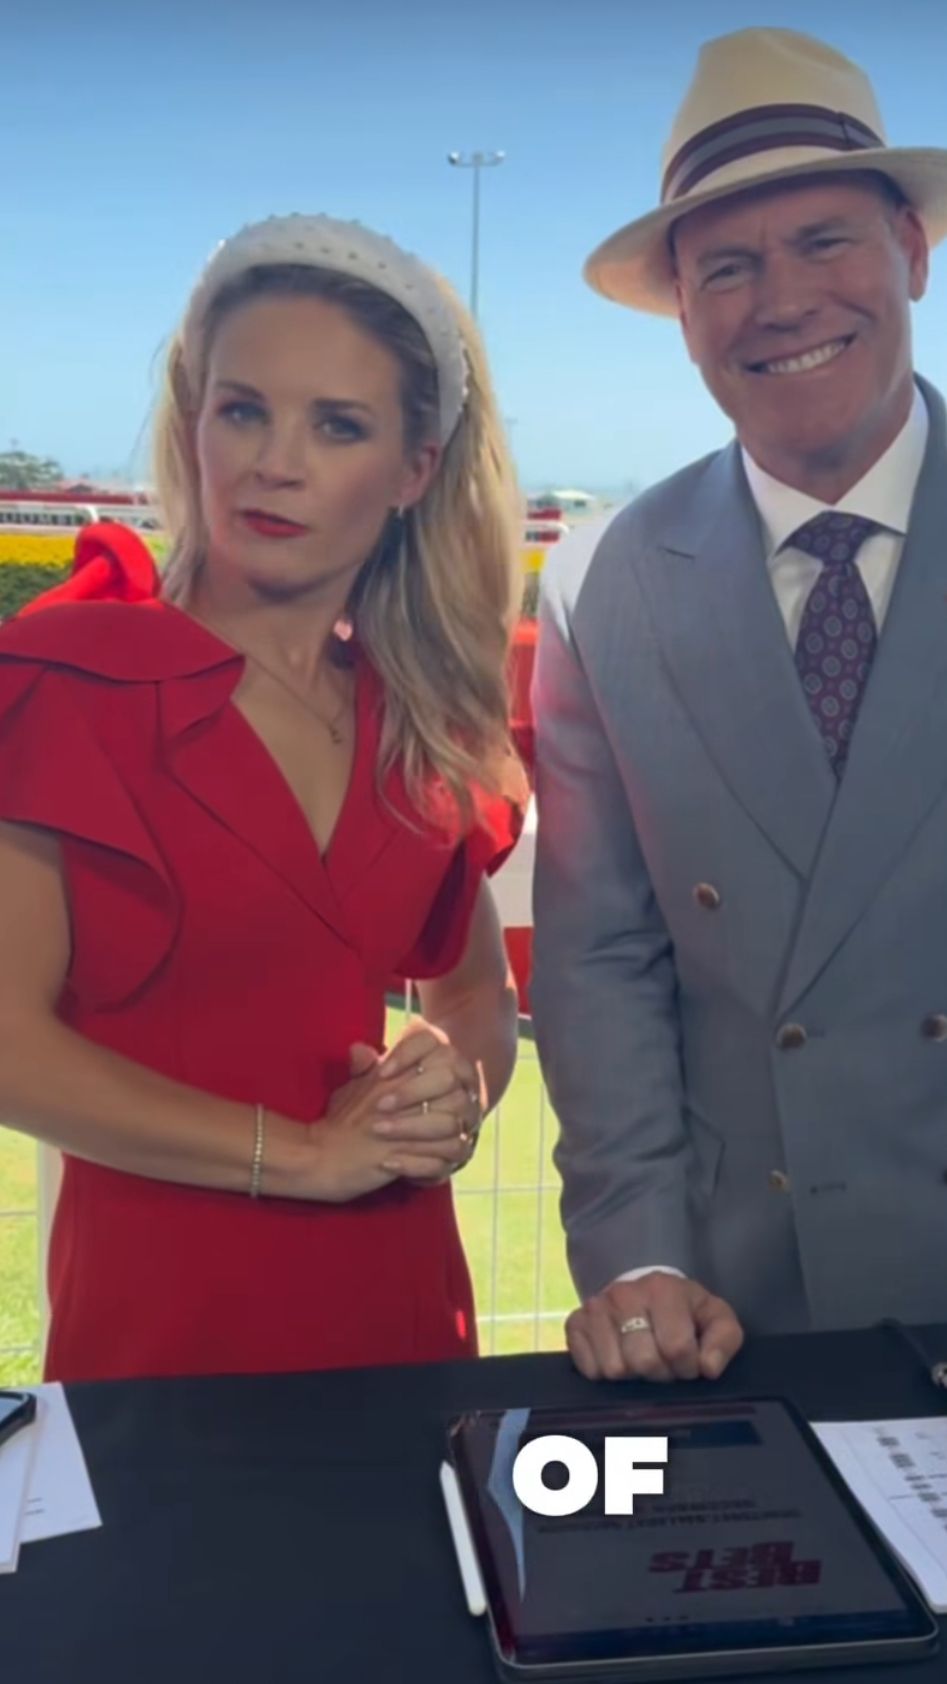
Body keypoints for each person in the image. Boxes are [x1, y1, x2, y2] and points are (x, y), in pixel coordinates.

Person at [0, 213, 526, 1382]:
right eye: (242, 410)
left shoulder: (418, 719)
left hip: (403, 1313)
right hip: (160, 1333)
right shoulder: (70, 679)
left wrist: (451, 1090)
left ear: (413, 470)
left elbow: (473, 994)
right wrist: (301, 1157)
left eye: (336, 425)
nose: (274, 462)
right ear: (194, 422)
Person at [530, 27, 947, 1384]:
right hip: (727, 1310)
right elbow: (599, 956)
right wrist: (633, 1251)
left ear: (910, 253)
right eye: (725, 267)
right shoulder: (601, 583)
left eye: (822, 242)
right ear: (681, 310)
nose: (779, 301)